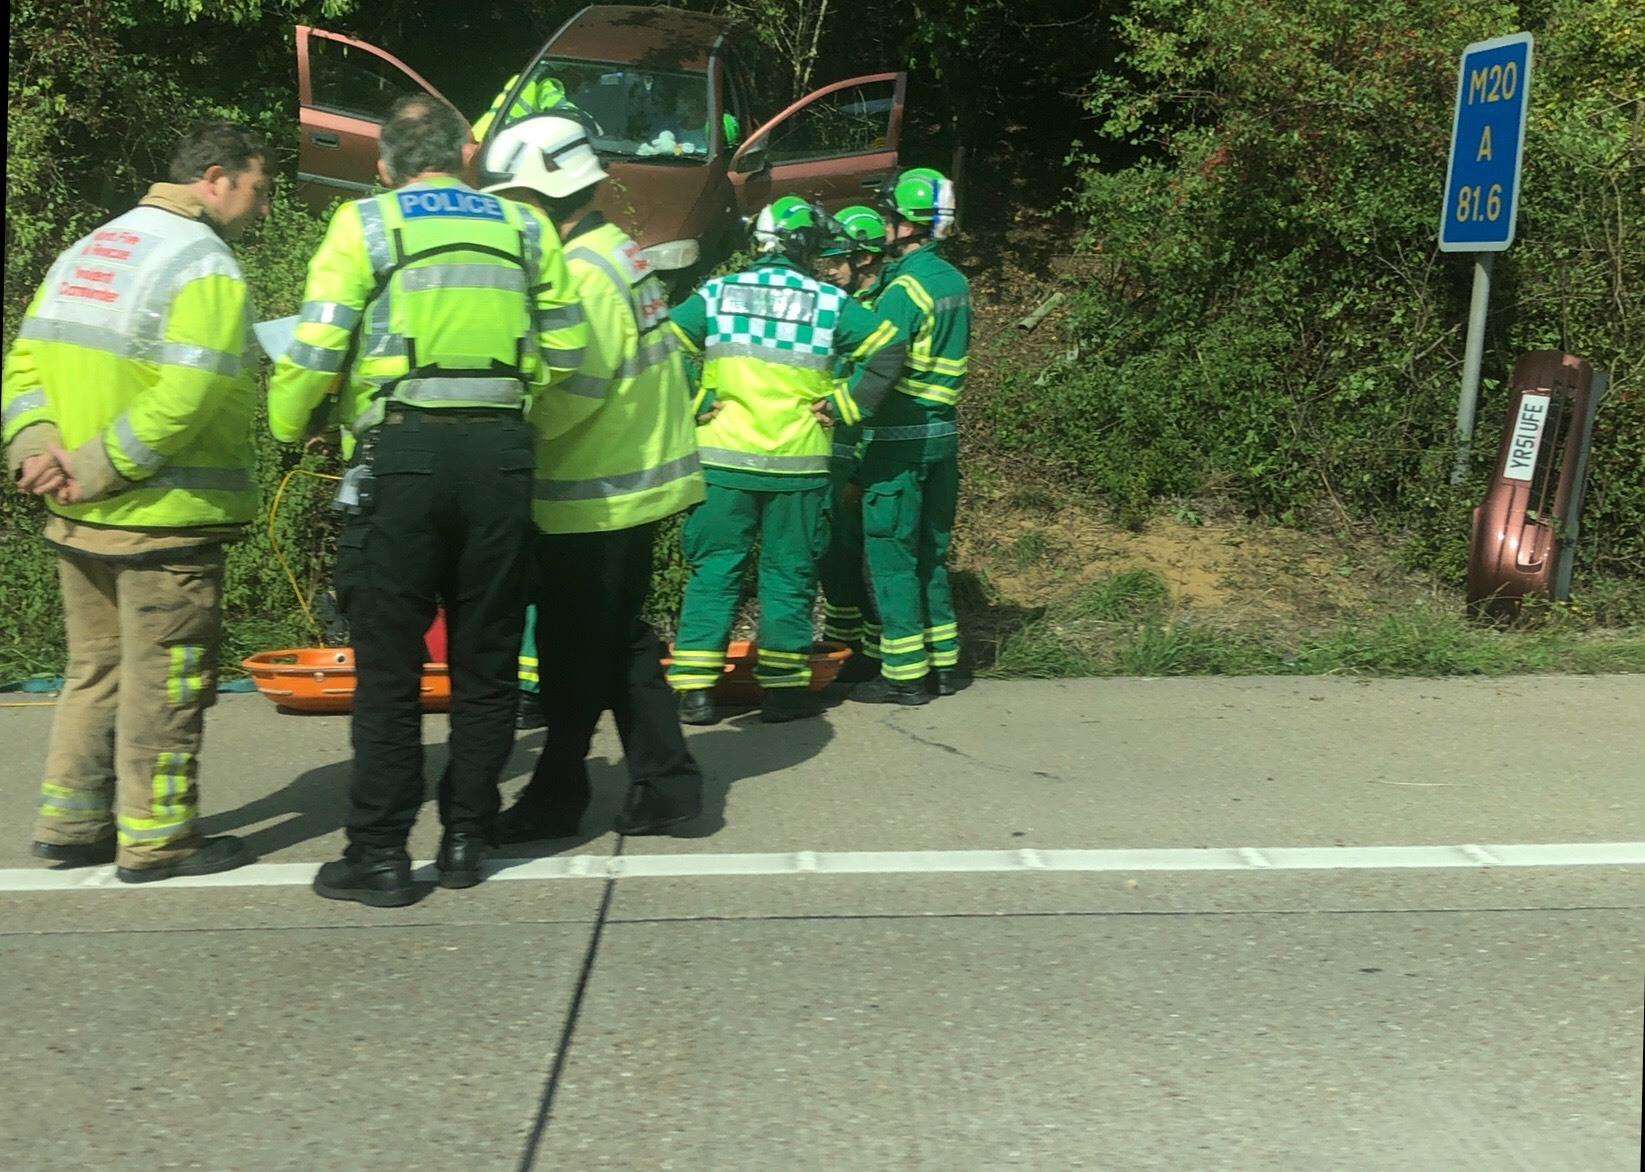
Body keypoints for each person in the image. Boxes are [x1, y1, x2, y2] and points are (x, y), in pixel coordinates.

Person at [269, 94, 589, 906]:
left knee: (390, 667)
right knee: (484, 663)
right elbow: (567, 349)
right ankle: (466, 842)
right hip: (501, 455)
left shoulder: (365, 225)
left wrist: (285, 420)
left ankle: (378, 853)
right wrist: (513, 412)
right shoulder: (526, 229)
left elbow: (316, 345)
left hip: (401, 456)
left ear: (384, 166)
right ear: (467, 157)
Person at [2, 121, 271, 882]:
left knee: (96, 673)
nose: (262, 209)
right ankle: (156, 841)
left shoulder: (95, 246)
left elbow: (24, 359)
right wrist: (97, 466)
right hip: (160, 519)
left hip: (78, 518)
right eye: (259, 189)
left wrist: (37, 452)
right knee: (168, 682)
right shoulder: (205, 266)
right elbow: (183, 399)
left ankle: (70, 823)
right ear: (215, 178)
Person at [478, 115, 708, 840]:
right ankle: (665, 785)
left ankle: (560, 797)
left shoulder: (580, 273)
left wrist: (508, 437)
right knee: (615, 644)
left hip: (595, 494)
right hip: (626, 484)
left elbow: (574, 389)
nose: (510, 215)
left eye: (514, 198)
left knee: (576, 656)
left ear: (544, 196)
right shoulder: (616, 251)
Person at [664, 196, 906, 725]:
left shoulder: (719, 293)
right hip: (799, 465)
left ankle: (696, 694)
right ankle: (784, 693)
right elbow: (890, 349)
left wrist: (695, 402)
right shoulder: (827, 302)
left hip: (723, 462)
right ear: (805, 247)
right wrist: (847, 405)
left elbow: (661, 343)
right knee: (789, 575)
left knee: (714, 572)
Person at [850, 168, 971, 705]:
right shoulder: (955, 282)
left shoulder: (905, 288)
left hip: (899, 442)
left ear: (906, 224)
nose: (885, 225)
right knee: (930, 556)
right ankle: (945, 665)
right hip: (943, 439)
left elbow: (880, 360)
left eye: (889, 216)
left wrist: (840, 407)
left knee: (891, 555)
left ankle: (903, 676)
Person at [813, 205, 892, 685]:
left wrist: (864, 472)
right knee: (832, 554)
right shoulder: (841, 304)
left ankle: (877, 652)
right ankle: (843, 643)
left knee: (869, 558)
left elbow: (879, 393)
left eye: (839, 258)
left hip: (863, 454)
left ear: (865, 257)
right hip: (833, 450)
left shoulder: (881, 312)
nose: (830, 268)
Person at [470, 71, 580, 143]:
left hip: (480, 135)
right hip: (495, 142)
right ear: (568, 72)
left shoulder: (524, 79)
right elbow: (568, 112)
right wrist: (591, 127)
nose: (578, 87)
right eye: (579, 78)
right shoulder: (546, 84)